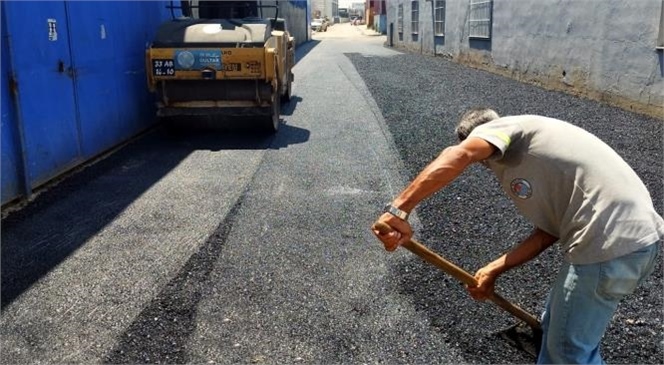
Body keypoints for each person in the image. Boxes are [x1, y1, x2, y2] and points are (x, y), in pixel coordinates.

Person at [372, 108, 663, 364]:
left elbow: (458, 154)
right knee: (556, 330)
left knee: (568, 355)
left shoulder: (500, 128)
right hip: (638, 243)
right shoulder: (538, 149)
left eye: (483, 161)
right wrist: (494, 270)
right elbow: (549, 232)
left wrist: (398, 211)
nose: (485, 166)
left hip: (607, 243)